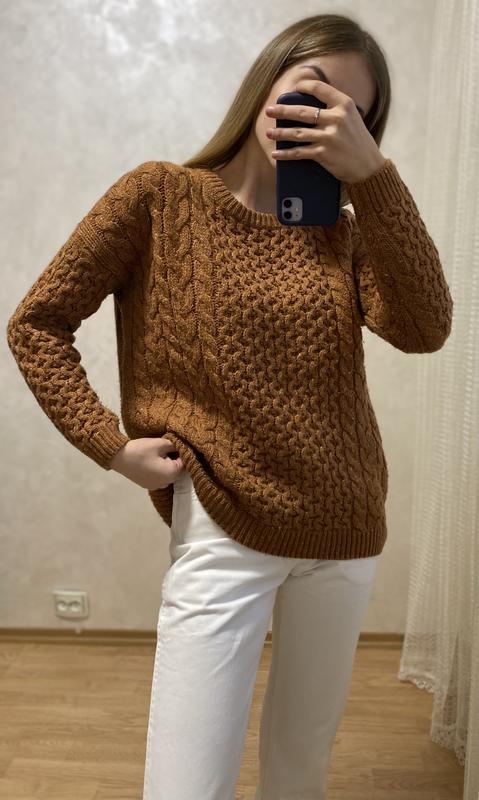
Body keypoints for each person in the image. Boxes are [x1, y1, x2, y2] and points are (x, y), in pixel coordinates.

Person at [6, 12, 453, 800]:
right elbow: (37, 324)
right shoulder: (158, 197)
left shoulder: (345, 233)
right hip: (221, 519)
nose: (323, 119)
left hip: (345, 524)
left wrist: (374, 179)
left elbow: (424, 329)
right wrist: (110, 446)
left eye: (349, 113)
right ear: (266, 81)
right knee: (187, 784)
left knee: (298, 773)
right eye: (312, 91)